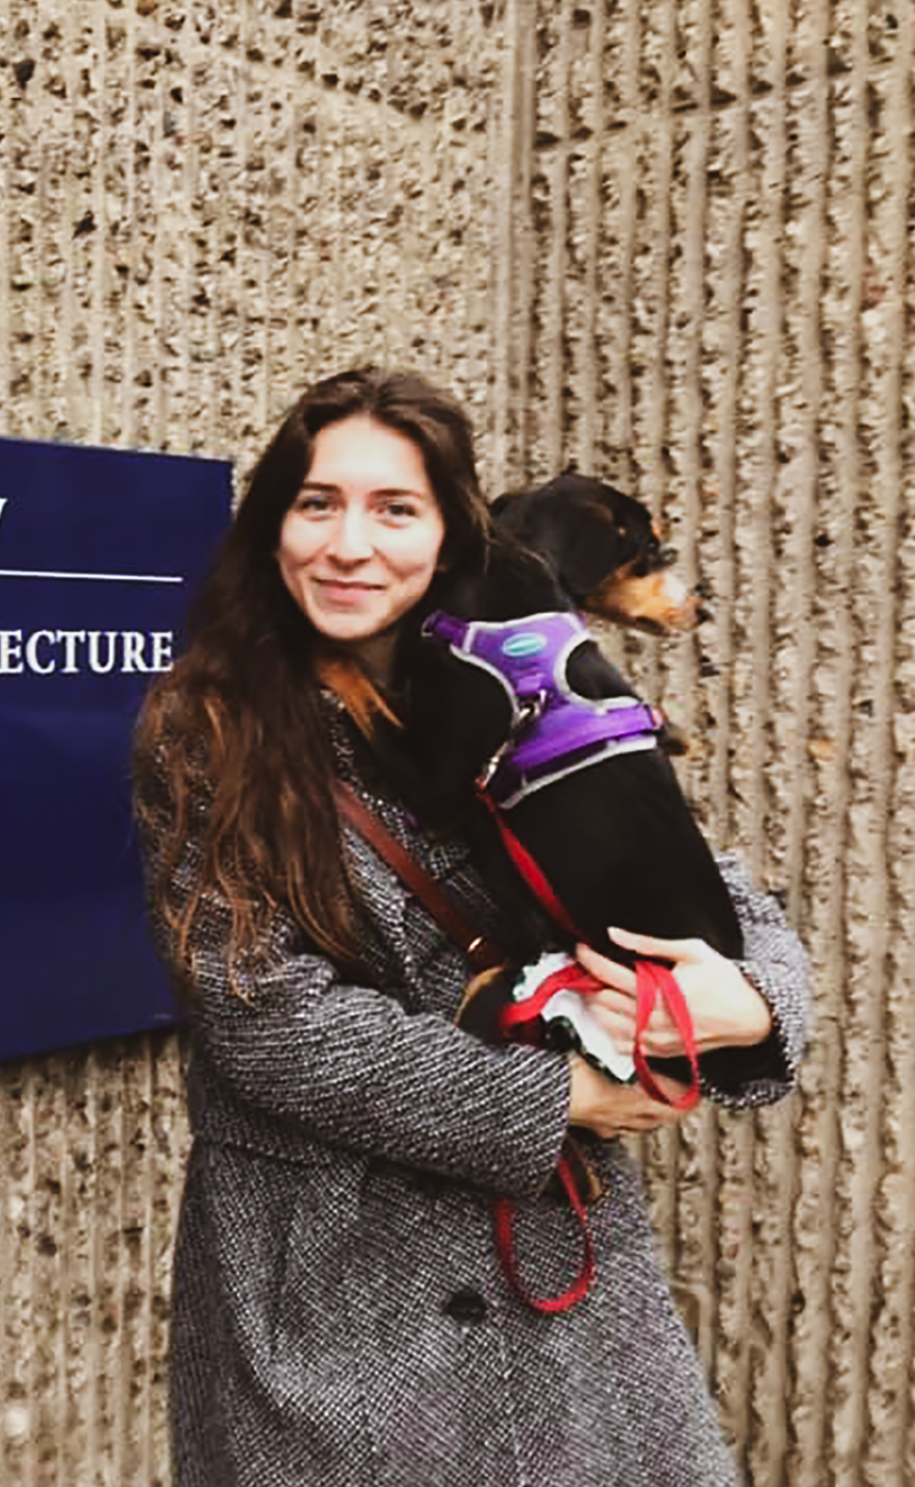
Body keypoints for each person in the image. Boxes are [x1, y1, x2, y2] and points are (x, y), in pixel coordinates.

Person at [131, 367, 810, 1486]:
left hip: (559, 1279)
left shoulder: (529, 675)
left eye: (394, 508)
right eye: (316, 503)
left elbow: (702, 873)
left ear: (448, 532)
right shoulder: (209, 725)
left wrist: (754, 1000)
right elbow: (264, 1019)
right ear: (271, 525)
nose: (349, 543)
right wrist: (557, 1097)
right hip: (332, 1291)